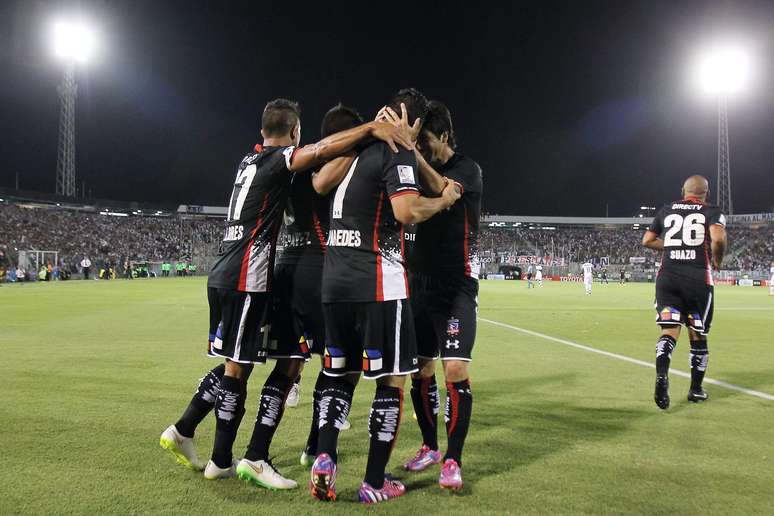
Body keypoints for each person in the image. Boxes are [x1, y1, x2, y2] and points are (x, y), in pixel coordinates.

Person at [159, 98, 414, 489]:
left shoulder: (254, 162)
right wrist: (366, 138)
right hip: (305, 275)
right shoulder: (308, 164)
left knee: (259, 360)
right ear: (296, 133)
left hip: (273, 271)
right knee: (325, 366)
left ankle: (193, 431)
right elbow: (322, 180)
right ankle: (284, 452)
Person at [309, 89, 460, 504]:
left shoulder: (355, 147)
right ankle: (374, 481)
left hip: (333, 282)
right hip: (377, 283)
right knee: (391, 380)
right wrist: (442, 200)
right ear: (409, 120)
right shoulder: (397, 149)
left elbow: (320, 183)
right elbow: (407, 212)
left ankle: (324, 459)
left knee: (339, 376)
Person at [384, 100, 482, 491]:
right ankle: (429, 446)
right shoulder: (412, 168)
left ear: (444, 136)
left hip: (455, 286)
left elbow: (447, 192)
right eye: (415, 141)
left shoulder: (467, 170)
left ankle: (453, 460)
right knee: (419, 370)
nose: (419, 147)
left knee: (454, 369)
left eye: (425, 140)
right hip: (416, 285)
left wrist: (409, 150)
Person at [270, 104, 364, 467]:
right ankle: (317, 445)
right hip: (321, 275)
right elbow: (322, 184)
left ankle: (257, 451)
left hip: (288, 272)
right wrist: (358, 146)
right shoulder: (324, 170)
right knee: (344, 363)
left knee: (290, 364)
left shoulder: (290, 165)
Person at [642, 175, 726, 409]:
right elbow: (718, 238)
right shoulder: (712, 211)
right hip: (697, 279)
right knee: (697, 333)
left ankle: (661, 376)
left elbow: (647, 240)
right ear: (706, 193)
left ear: (683, 191)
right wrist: (718, 259)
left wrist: (672, 245)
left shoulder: (666, 210)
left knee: (669, 331)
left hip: (667, 278)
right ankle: (695, 390)